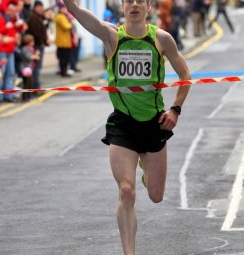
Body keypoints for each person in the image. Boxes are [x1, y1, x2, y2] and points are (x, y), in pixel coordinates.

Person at [62, 0, 191, 254]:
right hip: (123, 124)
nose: (134, 5)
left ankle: (146, 168)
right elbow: (76, 10)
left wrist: (175, 109)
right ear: (122, 8)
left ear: (148, 8)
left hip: (154, 123)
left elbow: (185, 75)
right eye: (129, 1)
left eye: (140, 1)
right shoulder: (111, 36)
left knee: (156, 195)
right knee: (126, 191)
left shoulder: (162, 39)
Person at [26, 0, 50, 91]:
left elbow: (43, 30)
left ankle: (36, 84)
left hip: (39, 44)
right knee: (36, 67)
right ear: (35, 8)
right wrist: (42, 41)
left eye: (42, 7)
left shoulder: (39, 17)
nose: (41, 9)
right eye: (39, 7)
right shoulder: (33, 18)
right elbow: (37, 33)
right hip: (36, 46)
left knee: (38, 67)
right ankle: (35, 86)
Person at [54, 2, 73, 77]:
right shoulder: (60, 17)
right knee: (64, 57)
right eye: (64, 8)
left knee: (63, 57)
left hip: (63, 40)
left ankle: (63, 70)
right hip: (63, 41)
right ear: (61, 9)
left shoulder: (61, 16)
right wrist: (71, 24)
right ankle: (63, 71)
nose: (66, 10)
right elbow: (66, 26)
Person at [20, 34, 40, 101]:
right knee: (27, 83)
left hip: (30, 68)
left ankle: (29, 96)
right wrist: (35, 56)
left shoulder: (31, 48)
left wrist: (36, 54)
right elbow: (28, 57)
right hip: (26, 68)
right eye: (32, 41)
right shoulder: (25, 48)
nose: (33, 42)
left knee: (31, 83)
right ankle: (25, 97)